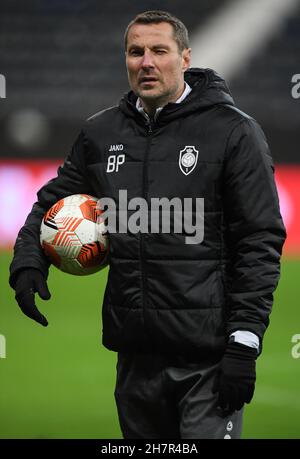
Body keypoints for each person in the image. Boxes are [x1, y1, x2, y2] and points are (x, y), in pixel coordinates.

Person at [9, 10, 286, 439]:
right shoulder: (100, 133)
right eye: (136, 52)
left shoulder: (234, 133)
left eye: (160, 50)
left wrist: (245, 341)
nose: (147, 62)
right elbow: (50, 202)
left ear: (186, 57)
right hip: (135, 357)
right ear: (126, 59)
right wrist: (29, 260)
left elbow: (259, 240)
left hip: (207, 358)